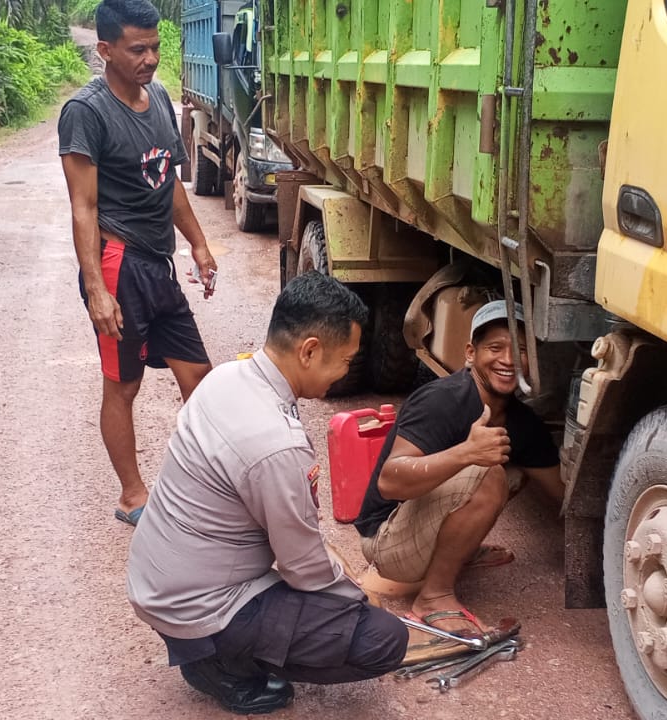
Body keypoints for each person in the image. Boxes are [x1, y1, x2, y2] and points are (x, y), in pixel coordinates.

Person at [127, 273, 407, 715]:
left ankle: (211, 647)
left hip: (157, 581)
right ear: (310, 351)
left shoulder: (227, 377)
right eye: (346, 361)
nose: (345, 373)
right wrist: (357, 595)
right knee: (383, 639)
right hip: (196, 607)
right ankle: (221, 665)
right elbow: (305, 570)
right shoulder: (277, 444)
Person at [59, 0, 218, 526]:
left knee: (199, 375)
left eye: (155, 47)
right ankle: (133, 495)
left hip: (158, 263)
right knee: (123, 385)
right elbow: (82, 207)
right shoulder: (86, 112)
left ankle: (204, 484)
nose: (150, 58)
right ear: (105, 49)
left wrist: (197, 242)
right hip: (117, 262)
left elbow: (167, 180)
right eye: (137, 49)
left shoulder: (162, 99)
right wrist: (97, 290)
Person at [353, 301, 562, 638]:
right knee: (488, 472)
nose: (508, 360)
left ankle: (457, 550)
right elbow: (389, 481)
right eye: (495, 347)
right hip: (384, 540)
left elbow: (561, 493)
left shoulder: (523, 421)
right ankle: (434, 597)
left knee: (515, 471)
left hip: (418, 522)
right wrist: (466, 452)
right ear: (470, 352)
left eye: (521, 350)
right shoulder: (442, 400)